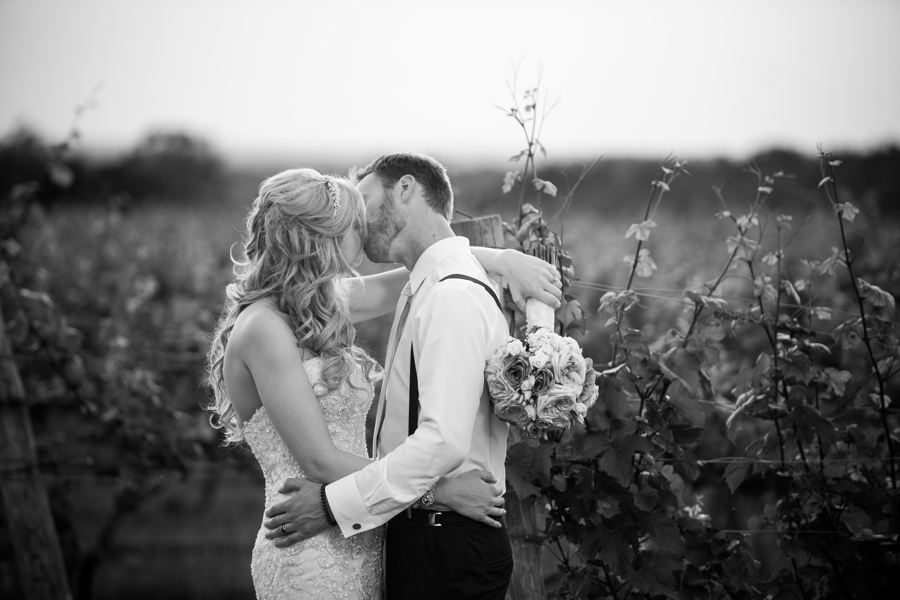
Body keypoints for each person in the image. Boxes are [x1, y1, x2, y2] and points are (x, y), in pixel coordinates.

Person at [205, 165, 562, 599]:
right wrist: (441, 492)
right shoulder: (264, 328)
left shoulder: (314, 305)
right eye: (357, 225)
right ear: (321, 236)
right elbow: (319, 460)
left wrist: (504, 260)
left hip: (361, 530)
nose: (368, 229)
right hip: (308, 545)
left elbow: (429, 265)